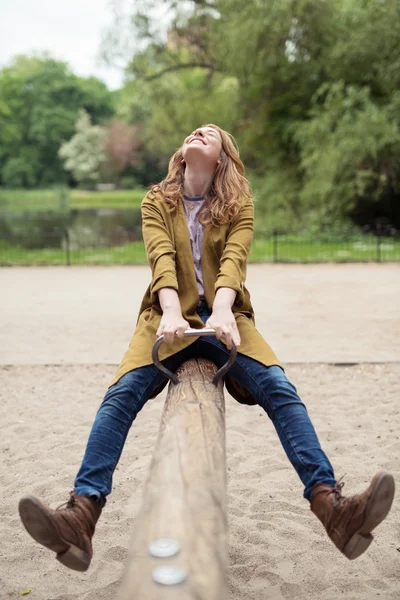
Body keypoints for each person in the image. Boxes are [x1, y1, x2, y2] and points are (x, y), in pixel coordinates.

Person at [19, 124, 395, 572]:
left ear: (221, 158)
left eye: (211, 133)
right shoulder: (156, 200)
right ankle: (81, 516)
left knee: (280, 388)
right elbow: (161, 260)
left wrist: (220, 312)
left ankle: (332, 508)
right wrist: (172, 313)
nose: (199, 131)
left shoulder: (240, 204)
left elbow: (234, 261)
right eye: (195, 130)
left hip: (225, 315)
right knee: (120, 395)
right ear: (183, 152)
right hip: (166, 316)